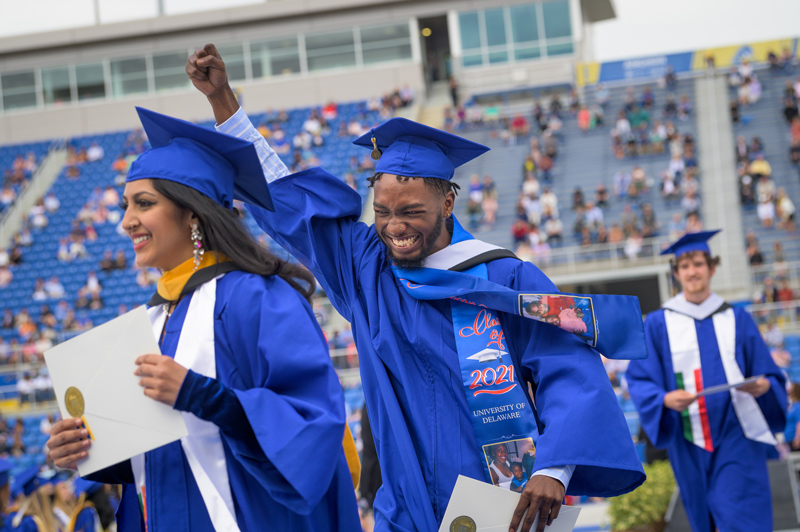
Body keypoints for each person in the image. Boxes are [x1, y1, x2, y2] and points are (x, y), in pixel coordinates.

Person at [187, 44, 645, 532]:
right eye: (382, 212)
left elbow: (567, 367)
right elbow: (291, 205)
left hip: (498, 503)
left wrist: (554, 468)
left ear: (448, 202)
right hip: (402, 509)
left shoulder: (503, 278)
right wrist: (224, 103)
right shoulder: (367, 271)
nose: (394, 227)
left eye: (411, 212)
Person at [46, 106, 361, 532]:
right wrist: (89, 451)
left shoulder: (259, 298)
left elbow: (312, 427)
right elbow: (171, 455)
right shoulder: (153, 318)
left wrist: (204, 397)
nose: (125, 221)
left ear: (192, 213)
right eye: (125, 205)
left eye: (144, 203)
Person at [626, 230, 787, 532]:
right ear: (676, 273)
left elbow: (769, 376)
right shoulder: (659, 323)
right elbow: (639, 378)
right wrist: (663, 399)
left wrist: (764, 386)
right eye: (685, 267)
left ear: (711, 267)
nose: (692, 272)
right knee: (704, 520)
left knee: (740, 514)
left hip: (736, 431)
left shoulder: (737, 318)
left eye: (698, 264)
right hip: (688, 436)